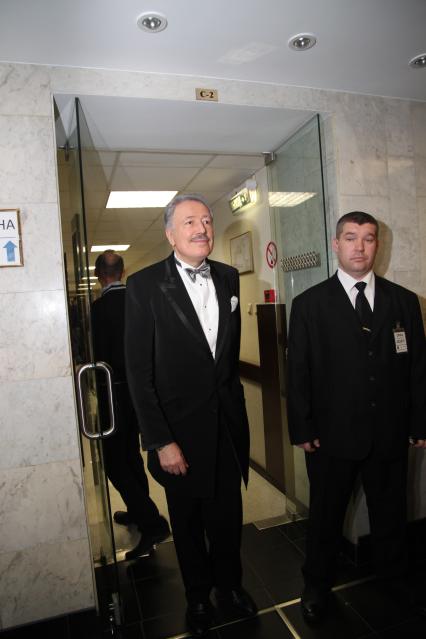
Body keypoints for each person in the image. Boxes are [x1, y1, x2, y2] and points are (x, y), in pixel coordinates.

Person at [124, 194, 257, 637]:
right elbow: (139, 374)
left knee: (227, 518)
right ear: (170, 234)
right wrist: (161, 441)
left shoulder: (229, 277)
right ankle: (198, 596)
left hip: (227, 429)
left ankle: (230, 587)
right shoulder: (144, 285)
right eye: (189, 222)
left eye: (206, 220)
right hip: (177, 434)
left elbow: (224, 360)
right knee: (187, 522)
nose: (201, 228)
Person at [286, 211, 426, 624]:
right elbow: (298, 373)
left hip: (389, 434)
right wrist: (302, 427)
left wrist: (419, 422)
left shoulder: (404, 301)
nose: (359, 247)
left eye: (368, 238)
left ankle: (394, 580)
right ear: (336, 244)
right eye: (350, 237)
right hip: (330, 437)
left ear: (377, 245)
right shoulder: (309, 304)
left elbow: (418, 368)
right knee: (325, 517)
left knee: (391, 514)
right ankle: (316, 585)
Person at [91, 250, 170, 560]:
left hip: (114, 393)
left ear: (99, 275)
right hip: (143, 393)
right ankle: (138, 511)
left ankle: (152, 522)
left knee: (114, 461)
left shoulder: (97, 310)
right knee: (131, 455)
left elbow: (96, 354)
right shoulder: (140, 300)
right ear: (122, 272)